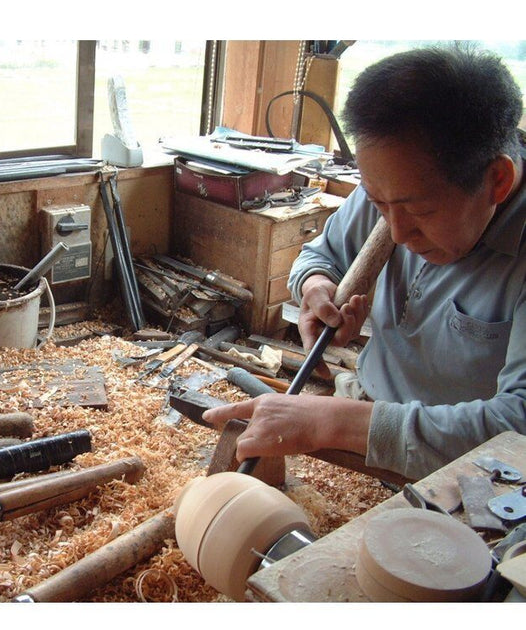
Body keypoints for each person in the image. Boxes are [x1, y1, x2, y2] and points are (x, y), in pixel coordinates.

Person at [203, 44, 526, 480]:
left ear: (498, 181)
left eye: (420, 212)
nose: (397, 234)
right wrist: (316, 286)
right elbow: (319, 255)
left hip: (470, 471)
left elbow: (517, 429)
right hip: (370, 416)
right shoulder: (396, 185)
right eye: (378, 205)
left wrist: (331, 422)